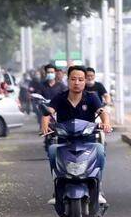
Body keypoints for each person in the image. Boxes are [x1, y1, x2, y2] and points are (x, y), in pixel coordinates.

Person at [41, 65, 111, 204]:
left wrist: (106, 123)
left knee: (100, 150)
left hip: (88, 142)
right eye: (73, 79)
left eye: (80, 79)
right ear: (68, 80)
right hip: (64, 142)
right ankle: (57, 188)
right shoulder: (60, 97)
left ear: (85, 81)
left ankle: (98, 187)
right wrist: (45, 126)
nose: (77, 82)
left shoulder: (91, 97)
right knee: (52, 150)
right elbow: (47, 113)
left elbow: (102, 112)